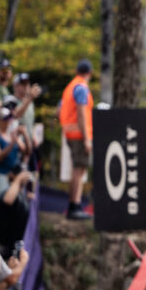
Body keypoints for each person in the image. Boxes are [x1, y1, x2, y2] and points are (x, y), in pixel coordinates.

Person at [59, 60, 94, 220]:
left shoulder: (71, 86)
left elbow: (59, 110)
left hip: (70, 133)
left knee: (77, 169)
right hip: (79, 135)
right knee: (79, 170)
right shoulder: (81, 88)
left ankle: (74, 205)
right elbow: (81, 113)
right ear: (90, 73)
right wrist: (87, 138)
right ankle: (75, 205)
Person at [0, 107, 28, 202]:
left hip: (13, 176)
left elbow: (27, 152)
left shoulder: (12, 135)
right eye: (4, 119)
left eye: (9, 119)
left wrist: (25, 134)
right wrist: (12, 143)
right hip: (0, 174)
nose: (7, 122)